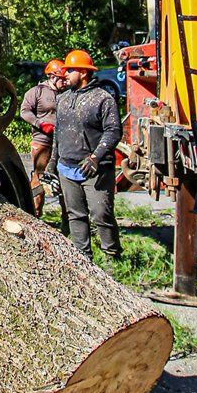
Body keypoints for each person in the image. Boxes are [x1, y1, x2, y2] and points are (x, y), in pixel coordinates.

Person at [52, 48, 122, 260]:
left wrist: (95, 157)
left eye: (69, 70)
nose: (65, 74)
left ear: (83, 72)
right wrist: (52, 164)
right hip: (67, 167)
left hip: (95, 170)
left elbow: (113, 131)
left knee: (101, 214)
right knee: (76, 215)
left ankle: (111, 256)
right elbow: (58, 132)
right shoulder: (63, 99)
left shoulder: (103, 99)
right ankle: (83, 258)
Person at [21, 59, 66, 216]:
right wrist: (40, 124)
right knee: (39, 177)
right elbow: (24, 111)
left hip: (63, 143)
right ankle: (35, 212)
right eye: (62, 79)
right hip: (42, 141)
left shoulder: (66, 93)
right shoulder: (37, 92)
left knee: (64, 179)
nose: (65, 82)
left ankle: (67, 217)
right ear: (53, 77)